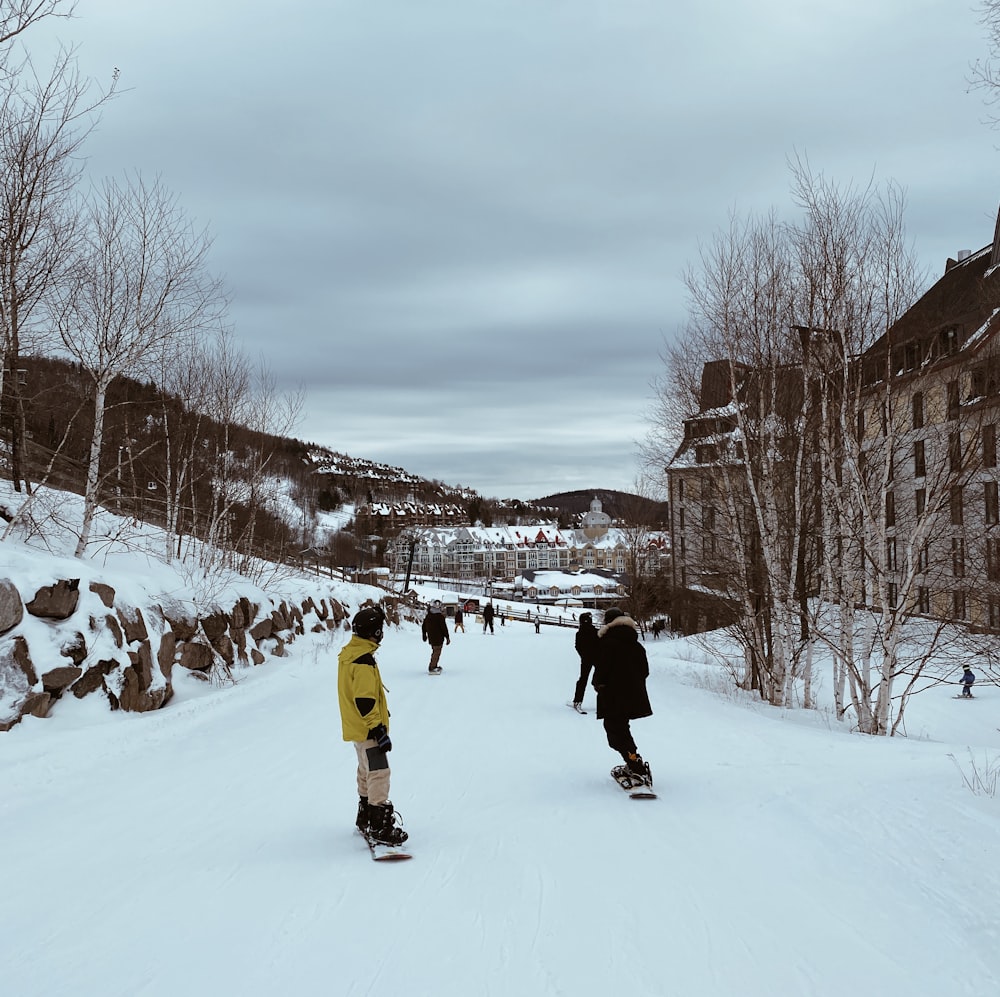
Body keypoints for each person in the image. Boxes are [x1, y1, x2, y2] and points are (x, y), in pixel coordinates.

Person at [337, 605, 408, 845]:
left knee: (365, 770)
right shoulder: (364, 661)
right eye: (380, 630)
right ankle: (379, 824)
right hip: (368, 729)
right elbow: (365, 700)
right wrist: (378, 730)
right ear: (374, 633)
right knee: (379, 772)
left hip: (356, 728)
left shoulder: (349, 654)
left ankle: (365, 814)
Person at [592, 606, 653, 786]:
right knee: (621, 729)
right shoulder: (636, 644)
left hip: (612, 695)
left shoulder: (607, 643)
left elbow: (601, 670)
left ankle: (635, 766)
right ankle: (633, 761)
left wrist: (599, 685)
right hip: (633, 695)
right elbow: (645, 671)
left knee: (615, 731)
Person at [568, 612, 599, 714]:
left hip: (588, 659)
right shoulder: (595, 632)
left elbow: (577, 646)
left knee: (583, 680)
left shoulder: (581, 633)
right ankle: (578, 701)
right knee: (599, 680)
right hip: (594, 659)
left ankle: (577, 701)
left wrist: (584, 656)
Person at [421, 599, 451, 673]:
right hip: (438, 638)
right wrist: (447, 637)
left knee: (435, 651)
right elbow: (444, 628)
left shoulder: (429, 616)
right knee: (436, 652)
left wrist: (424, 635)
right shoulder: (440, 617)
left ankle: (434, 665)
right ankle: (432, 667)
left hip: (431, 637)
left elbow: (423, 626)